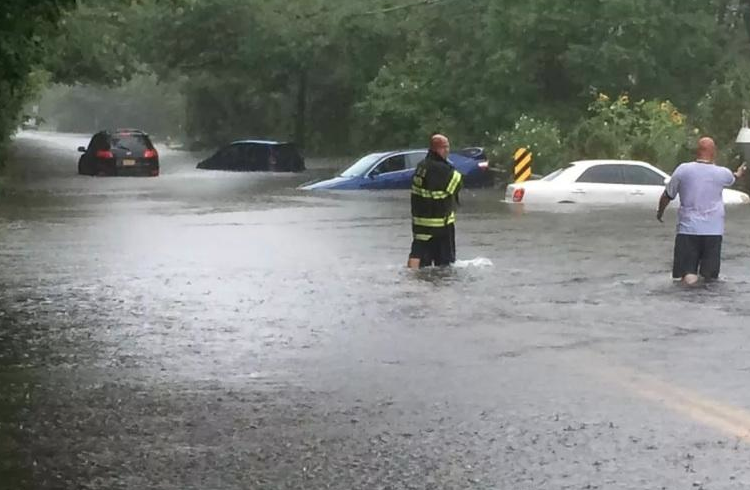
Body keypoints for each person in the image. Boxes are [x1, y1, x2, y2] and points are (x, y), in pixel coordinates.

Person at [656, 137, 747, 285]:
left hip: (688, 230)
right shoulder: (722, 173)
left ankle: (687, 299)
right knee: (709, 279)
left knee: (687, 276)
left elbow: (667, 195)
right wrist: (739, 172)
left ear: (697, 151)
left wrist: (660, 213)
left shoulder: (683, 169)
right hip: (713, 232)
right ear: (714, 152)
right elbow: (734, 178)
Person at [407, 134, 463, 269]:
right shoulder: (442, 169)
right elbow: (456, 183)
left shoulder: (421, 167)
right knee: (444, 264)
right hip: (440, 224)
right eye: (445, 147)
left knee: (418, 254)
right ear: (437, 149)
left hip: (420, 222)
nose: (448, 150)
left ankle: (409, 280)